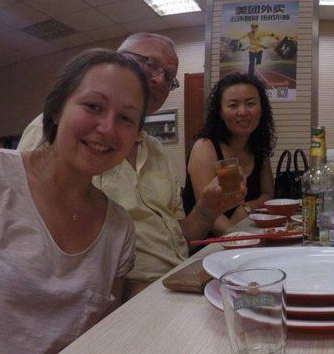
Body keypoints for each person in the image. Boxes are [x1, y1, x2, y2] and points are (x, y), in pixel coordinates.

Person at [0, 49, 147, 354]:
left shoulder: (119, 228)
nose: (107, 128)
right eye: (93, 106)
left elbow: (95, 345)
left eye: (126, 119)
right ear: (56, 110)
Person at [18, 33, 243, 298]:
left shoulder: (156, 150)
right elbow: (35, 239)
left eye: (169, 77)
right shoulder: (65, 130)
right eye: (149, 63)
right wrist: (124, 295)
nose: (159, 79)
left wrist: (206, 209)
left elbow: (176, 233)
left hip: (179, 282)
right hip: (123, 297)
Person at [184, 72, 276, 235]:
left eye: (250, 103)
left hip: (245, 236)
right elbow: (208, 211)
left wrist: (245, 208)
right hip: (207, 244)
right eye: (233, 105)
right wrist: (240, 237)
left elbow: (267, 194)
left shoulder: (258, 145)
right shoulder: (205, 147)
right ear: (220, 111)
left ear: (261, 108)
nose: (243, 111)